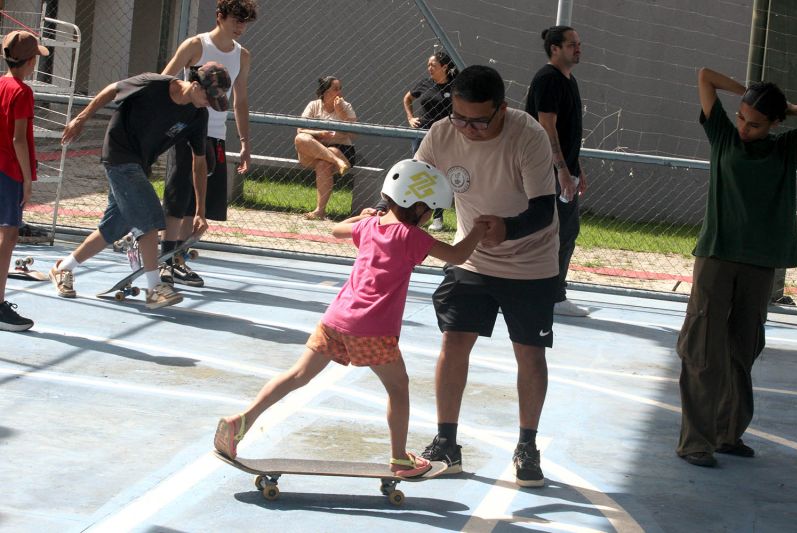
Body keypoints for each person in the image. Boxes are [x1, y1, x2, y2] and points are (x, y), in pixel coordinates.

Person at [213, 159, 488, 476]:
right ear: (417, 207)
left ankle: (240, 422)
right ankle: (400, 458)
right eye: (430, 211)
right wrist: (478, 230)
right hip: (373, 329)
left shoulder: (370, 226)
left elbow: (336, 229)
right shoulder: (411, 236)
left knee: (298, 375)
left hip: (336, 319)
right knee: (398, 388)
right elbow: (457, 255)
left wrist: (364, 216)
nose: (428, 218)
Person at [411, 65, 558, 488]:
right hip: (471, 257)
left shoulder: (528, 136)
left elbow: (544, 209)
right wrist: (389, 214)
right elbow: (416, 185)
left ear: (502, 110)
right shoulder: (442, 133)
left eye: (478, 121)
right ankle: (446, 443)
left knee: (529, 353)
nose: (468, 129)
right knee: (454, 342)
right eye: (460, 117)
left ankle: (527, 446)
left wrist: (508, 229)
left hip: (530, 262)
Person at [675, 68, 797, 467]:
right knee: (703, 350)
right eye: (742, 117)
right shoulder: (724, 136)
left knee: (742, 350)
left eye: (756, 123)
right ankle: (695, 442)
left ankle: (728, 434)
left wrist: (789, 108)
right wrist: (749, 93)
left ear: (776, 123)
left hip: (759, 266)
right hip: (716, 258)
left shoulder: (786, 149)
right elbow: (705, 77)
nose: (744, 128)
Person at [50, 62, 231, 309]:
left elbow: (199, 163)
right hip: (118, 152)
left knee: (114, 226)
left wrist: (200, 211)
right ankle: (154, 288)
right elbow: (112, 90)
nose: (209, 104)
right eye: (209, 98)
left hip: (140, 163)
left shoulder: (198, 115)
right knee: (150, 217)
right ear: (195, 85)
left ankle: (64, 267)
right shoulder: (153, 84)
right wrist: (81, 119)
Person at [159, 0, 257, 288]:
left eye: (245, 21)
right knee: (178, 198)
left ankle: (178, 258)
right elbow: (164, 80)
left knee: (196, 202)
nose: (240, 26)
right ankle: (164, 259)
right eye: (236, 19)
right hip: (185, 131)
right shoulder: (195, 45)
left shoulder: (242, 56)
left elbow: (240, 100)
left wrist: (244, 142)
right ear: (220, 16)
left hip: (215, 135)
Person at [525, 26, 589, 317]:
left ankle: (548, 292)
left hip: (563, 170)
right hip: (547, 172)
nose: (578, 48)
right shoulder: (548, 79)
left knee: (565, 231)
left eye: (578, 44)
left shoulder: (568, 80)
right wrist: (562, 170)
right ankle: (551, 295)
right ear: (555, 48)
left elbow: (568, 131)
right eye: (572, 44)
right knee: (555, 232)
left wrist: (577, 168)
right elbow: (547, 128)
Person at [0, 30, 48, 331]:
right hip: (9, 170)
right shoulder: (22, 92)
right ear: (30, 62)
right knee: (8, 236)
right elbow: (19, 139)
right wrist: (28, 179)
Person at [403, 50, 459, 231]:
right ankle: (413, 214)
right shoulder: (425, 83)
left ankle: (438, 217)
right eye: (428, 65)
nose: (429, 68)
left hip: (444, 135)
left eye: (433, 65)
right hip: (421, 134)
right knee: (418, 172)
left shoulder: (455, 86)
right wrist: (410, 118)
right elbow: (407, 98)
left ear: (444, 67)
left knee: (440, 173)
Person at [294, 76, 357, 220]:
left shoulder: (346, 106)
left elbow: (354, 134)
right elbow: (300, 129)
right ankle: (336, 160)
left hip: (341, 149)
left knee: (324, 162)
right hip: (315, 148)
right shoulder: (314, 105)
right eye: (335, 89)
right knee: (300, 138)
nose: (340, 92)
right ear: (325, 92)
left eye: (340, 88)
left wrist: (341, 114)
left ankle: (319, 211)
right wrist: (319, 133)